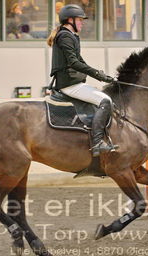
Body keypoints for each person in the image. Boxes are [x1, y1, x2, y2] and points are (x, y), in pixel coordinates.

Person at [47, 4, 116, 157]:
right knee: (105, 101)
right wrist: (97, 75)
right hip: (70, 84)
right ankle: (98, 142)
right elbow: (73, 62)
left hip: (74, 82)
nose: (82, 23)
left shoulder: (71, 36)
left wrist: (103, 76)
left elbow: (80, 61)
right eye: (79, 20)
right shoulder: (65, 36)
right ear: (70, 20)